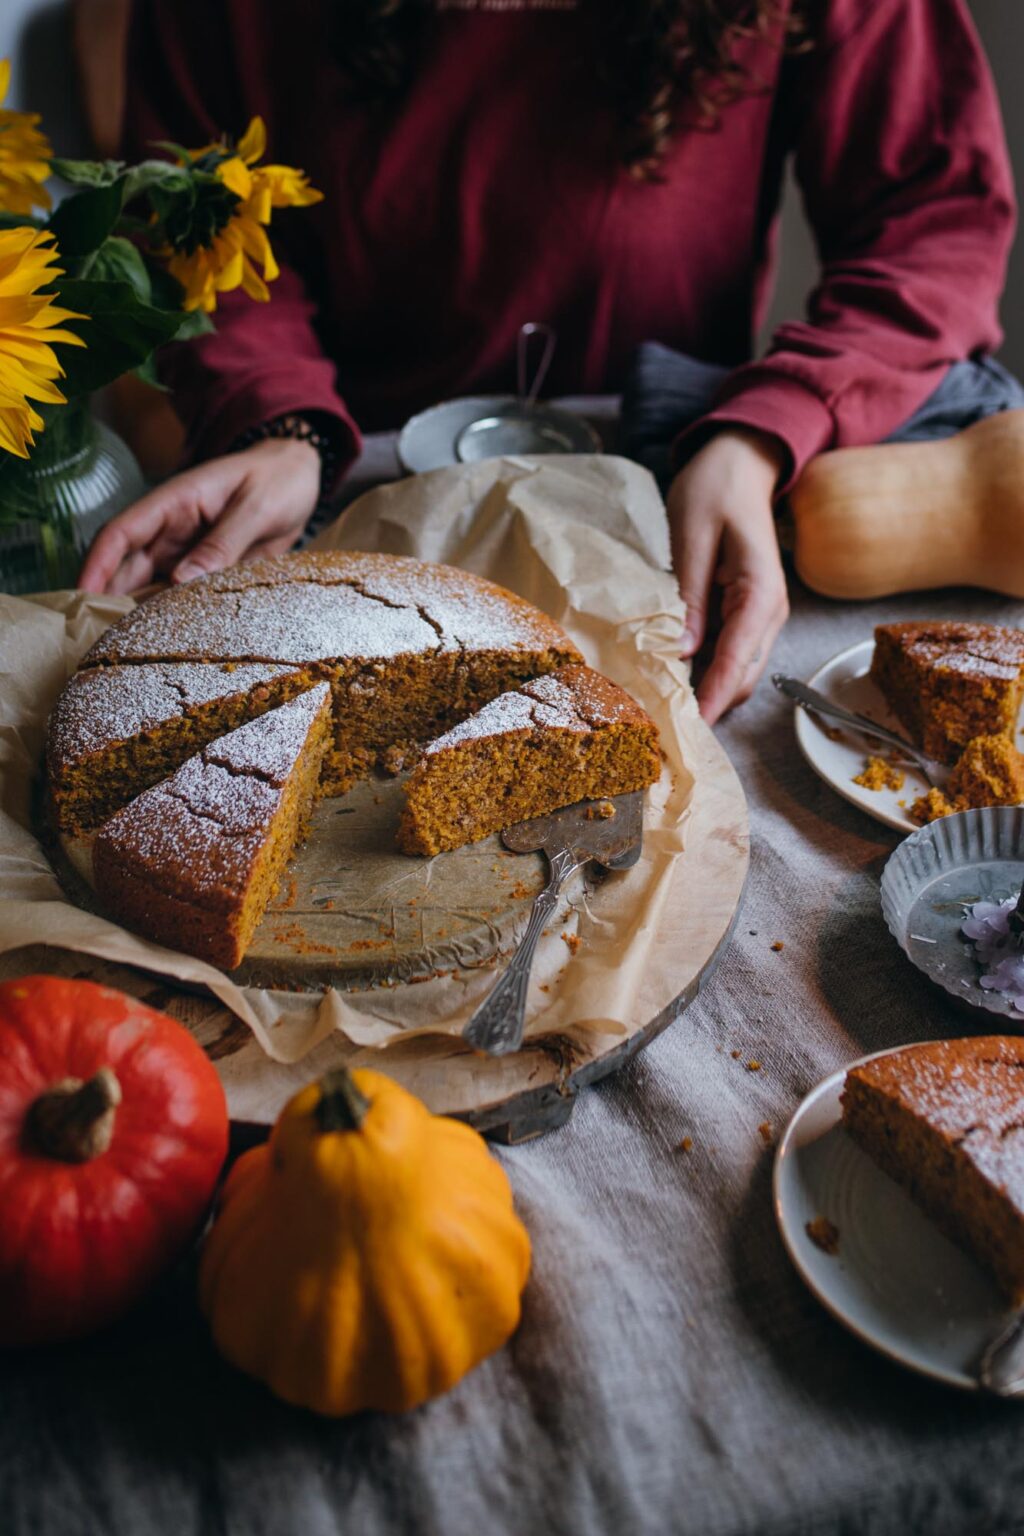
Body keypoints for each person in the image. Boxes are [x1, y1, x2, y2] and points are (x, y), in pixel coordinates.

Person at [77, 0, 1017, 724]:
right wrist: (277, 417)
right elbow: (200, 227)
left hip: (683, 480)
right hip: (344, 481)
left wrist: (763, 433)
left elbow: (933, 221)